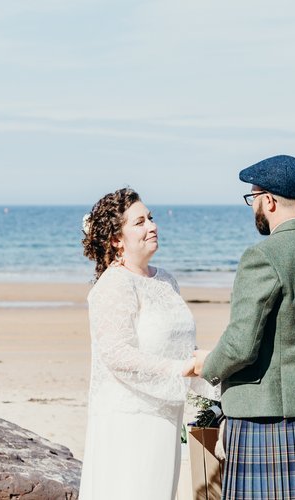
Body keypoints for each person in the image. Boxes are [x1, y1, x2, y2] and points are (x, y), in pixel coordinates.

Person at [194, 155, 295, 499]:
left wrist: (207, 366)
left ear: (267, 200)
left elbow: (241, 343)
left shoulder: (264, 256)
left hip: (267, 419)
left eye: (252, 198)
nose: (252, 205)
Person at [79, 188, 215, 500]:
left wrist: (214, 377)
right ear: (116, 239)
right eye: (139, 222)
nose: (152, 226)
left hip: (167, 416)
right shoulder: (114, 285)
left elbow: (182, 346)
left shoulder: (166, 280)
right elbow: (116, 354)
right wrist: (182, 369)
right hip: (131, 421)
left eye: (150, 218)